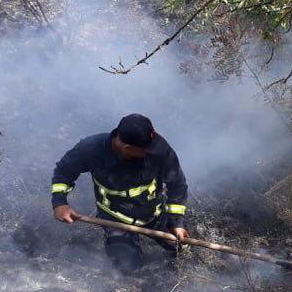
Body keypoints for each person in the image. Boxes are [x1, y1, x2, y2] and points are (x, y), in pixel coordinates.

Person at [51, 114, 189, 272]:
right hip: (116, 220)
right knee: (127, 268)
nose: (152, 152)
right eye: (146, 150)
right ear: (127, 148)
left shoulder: (158, 148)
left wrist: (176, 222)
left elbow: (178, 184)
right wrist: (59, 203)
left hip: (154, 214)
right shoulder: (92, 149)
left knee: (180, 246)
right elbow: (64, 171)